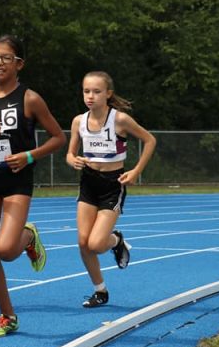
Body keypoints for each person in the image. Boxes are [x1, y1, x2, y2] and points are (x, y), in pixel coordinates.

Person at [0, 35, 66, 337]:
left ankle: (28, 237)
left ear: (19, 64)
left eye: (6, 58)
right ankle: (7, 315)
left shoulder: (29, 99)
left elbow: (57, 138)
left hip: (16, 181)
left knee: (6, 250)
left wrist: (29, 156)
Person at [66, 71, 156, 308]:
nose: (91, 96)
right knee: (83, 243)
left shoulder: (120, 120)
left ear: (108, 94)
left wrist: (136, 171)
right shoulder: (79, 121)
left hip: (111, 185)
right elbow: (70, 153)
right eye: (86, 91)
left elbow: (150, 140)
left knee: (96, 244)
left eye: (96, 91)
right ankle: (100, 291)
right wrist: (72, 159)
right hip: (88, 182)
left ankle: (116, 241)